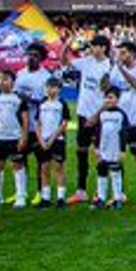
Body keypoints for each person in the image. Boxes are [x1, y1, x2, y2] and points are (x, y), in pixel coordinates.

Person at [67, 35, 113, 205]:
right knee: (81, 152)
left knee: (102, 154)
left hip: (99, 116)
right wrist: (66, 46)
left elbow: (109, 96)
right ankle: (81, 191)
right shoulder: (86, 62)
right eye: (91, 46)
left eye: (94, 46)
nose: (91, 48)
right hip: (83, 114)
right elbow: (66, 62)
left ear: (103, 48)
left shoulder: (109, 66)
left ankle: (102, 193)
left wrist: (96, 116)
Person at [110, 41, 136, 207]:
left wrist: (122, 69)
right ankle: (119, 193)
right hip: (118, 120)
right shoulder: (115, 69)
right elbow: (107, 89)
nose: (120, 56)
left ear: (132, 54)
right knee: (117, 157)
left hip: (135, 120)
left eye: (124, 52)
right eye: (119, 52)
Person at [0, 70, 29, 209]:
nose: (3, 82)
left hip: (15, 137)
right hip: (0, 138)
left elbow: (25, 120)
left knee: (18, 165)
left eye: (6, 79)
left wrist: (23, 137)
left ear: (13, 82)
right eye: (1, 79)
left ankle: (21, 196)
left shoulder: (19, 99)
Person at [15, 44, 54, 205]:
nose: (31, 58)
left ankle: (40, 192)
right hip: (21, 125)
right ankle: (21, 193)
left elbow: (47, 100)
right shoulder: (20, 74)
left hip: (39, 126)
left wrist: (29, 99)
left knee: (41, 161)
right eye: (29, 54)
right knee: (19, 159)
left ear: (41, 58)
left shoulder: (46, 77)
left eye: (35, 55)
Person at [33, 76, 70, 209]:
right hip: (43, 140)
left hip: (57, 140)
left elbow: (64, 124)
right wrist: (41, 140)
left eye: (54, 87)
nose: (50, 90)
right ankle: (46, 198)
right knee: (44, 168)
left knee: (59, 168)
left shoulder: (62, 104)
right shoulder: (42, 103)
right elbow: (37, 123)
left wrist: (52, 139)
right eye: (48, 87)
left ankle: (61, 198)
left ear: (59, 89)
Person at [93, 88, 128, 210]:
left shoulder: (121, 114)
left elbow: (124, 133)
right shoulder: (102, 114)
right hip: (103, 149)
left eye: (111, 97)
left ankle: (117, 199)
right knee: (101, 172)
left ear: (118, 100)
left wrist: (122, 150)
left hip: (115, 149)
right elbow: (98, 132)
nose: (108, 100)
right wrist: (96, 147)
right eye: (107, 98)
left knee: (115, 173)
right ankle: (101, 198)